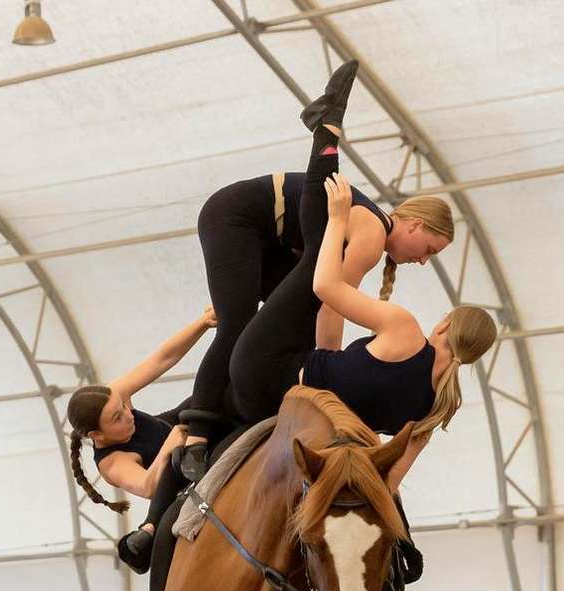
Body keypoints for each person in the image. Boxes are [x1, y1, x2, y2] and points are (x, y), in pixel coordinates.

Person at [177, 57, 456, 482]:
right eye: (428, 249)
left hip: (273, 236)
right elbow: (332, 304)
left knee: (277, 324)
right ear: (415, 225)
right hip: (238, 219)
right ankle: (196, 431)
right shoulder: (372, 235)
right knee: (237, 324)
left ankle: (200, 409)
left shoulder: (371, 231)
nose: (422, 260)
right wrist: (326, 376)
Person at [65, 305, 221, 572]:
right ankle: (150, 527)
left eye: (124, 406)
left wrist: (204, 322)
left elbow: (162, 359)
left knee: (218, 385)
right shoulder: (111, 463)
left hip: (172, 424)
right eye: (117, 418)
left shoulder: (113, 395)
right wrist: (171, 444)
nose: (128, 415)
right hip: (174, 472)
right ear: (96, 435)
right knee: (173, 461)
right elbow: (149, 486)